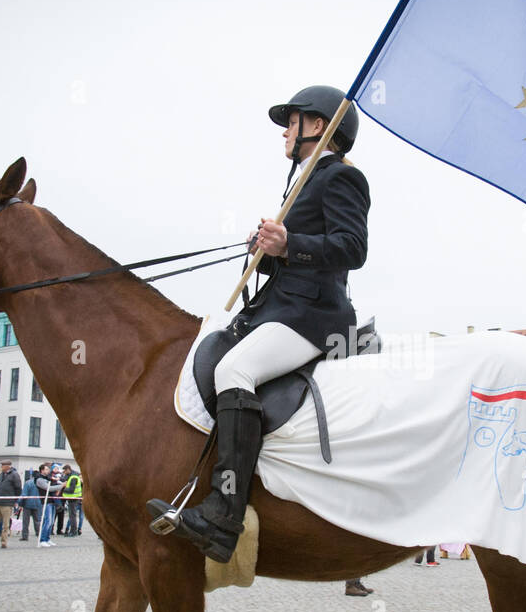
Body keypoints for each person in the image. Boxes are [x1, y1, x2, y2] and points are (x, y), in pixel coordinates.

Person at [148, 85, 368, 564]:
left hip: (314, 316)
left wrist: (289, 243)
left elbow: (353, 249)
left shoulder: (341, 178)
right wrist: (268, 252)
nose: (285, 132)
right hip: (280, 307)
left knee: (235, 372)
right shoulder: (303, 180)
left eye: (291, 122)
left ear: (317, 125)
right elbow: (297, 254)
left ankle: (225, 514)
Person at [0, 459, 21, 549]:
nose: (1, 467)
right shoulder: (2, 474)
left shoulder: (14, 475)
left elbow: (18, 488)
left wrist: (15, 500)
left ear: (8, 466)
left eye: (3, 465)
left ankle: (4, 542)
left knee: (5, 524)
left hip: (7, 503)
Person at [35, 463, 64, 548]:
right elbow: (48, 488)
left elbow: (54, 484)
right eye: (47, 469)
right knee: (47, 521)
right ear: (42, 470)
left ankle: (47, 538)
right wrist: (61, 486)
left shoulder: (48, 478)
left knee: (51, 522)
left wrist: (59, 483)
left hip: (52, 501)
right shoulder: (39, 480)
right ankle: (42, 539)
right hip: (45, 501)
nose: (48, 471)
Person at [18, 471, 41, 541]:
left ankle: (25, 536)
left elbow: (24, 494)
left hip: (27, 504)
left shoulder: (28, 483)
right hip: (37, 503)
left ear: (32, 476)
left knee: (25, 521)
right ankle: (39, 534)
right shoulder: (40, 483)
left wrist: (20, 503)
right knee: (37, 520)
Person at [62, 466, 84, 537]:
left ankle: (73, 531)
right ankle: (73, 531)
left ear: (68, 470)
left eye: (65, 471)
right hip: (75, 498)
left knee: (72, 516)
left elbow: (71, 490)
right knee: (73, 515)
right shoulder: (73, 476)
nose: (64, 473)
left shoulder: (73, 477)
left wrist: (63, 488)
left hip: (73, 499)